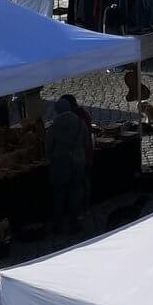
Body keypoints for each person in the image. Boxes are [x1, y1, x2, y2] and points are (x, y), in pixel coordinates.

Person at [45, 97, 89, 231]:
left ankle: (58, 224)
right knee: (75, 190)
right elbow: (86, 142)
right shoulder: (80, 123)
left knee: (59, 193)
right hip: (78, 161)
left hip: (60, 163)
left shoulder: (53, 127)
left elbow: (48, 147)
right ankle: (74, 222)